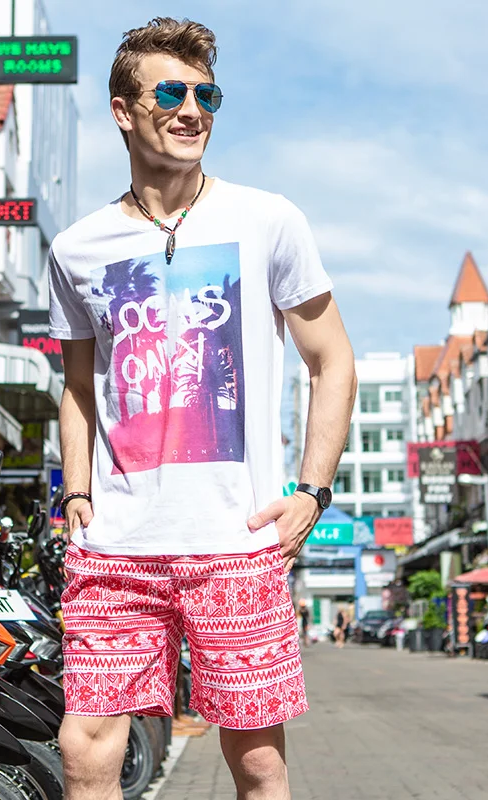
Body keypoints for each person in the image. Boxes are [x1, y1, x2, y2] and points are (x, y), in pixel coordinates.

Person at [48, 17, 357, 800]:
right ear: (123, 111)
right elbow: (78, 385)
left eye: (207, 96)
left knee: (256, 762)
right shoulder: (76, 249)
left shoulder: (268, 221)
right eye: (172, 94)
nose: (192, 111)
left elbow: (332, 360)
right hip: (117, 546)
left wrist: (312, 494)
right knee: (84, 748)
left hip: (236, 542)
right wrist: (77, 491)